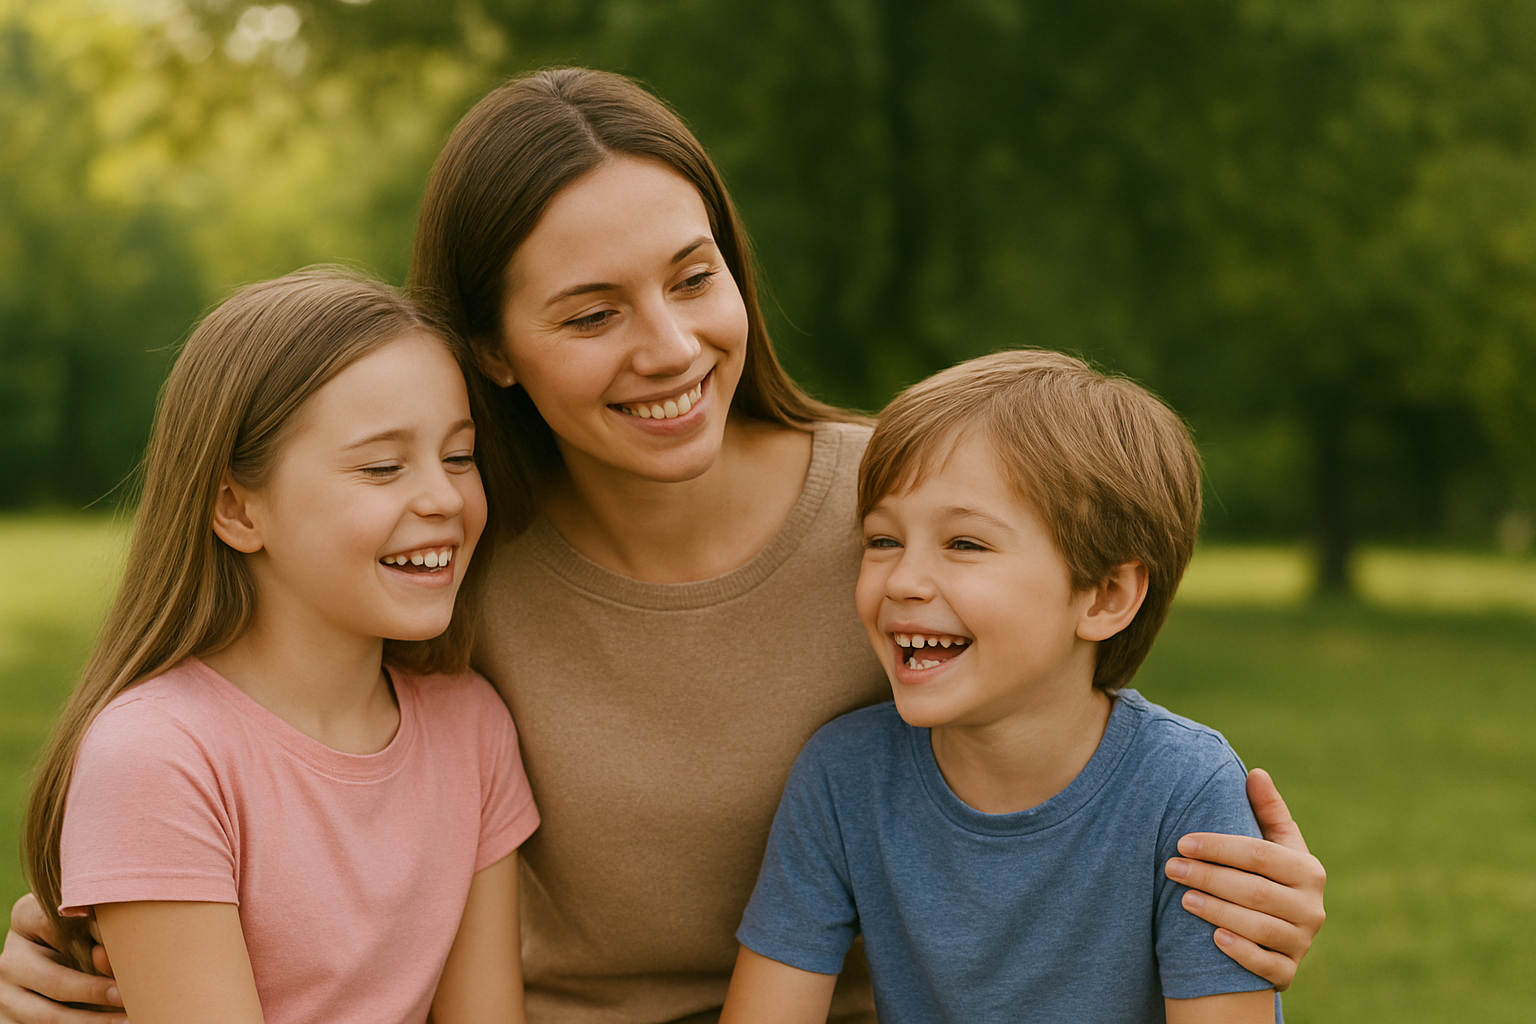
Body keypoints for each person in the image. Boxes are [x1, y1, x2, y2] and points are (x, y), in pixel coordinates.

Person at [0, 70, 1325, 1024]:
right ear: (492, 359)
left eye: (693, 278)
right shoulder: (446, 563)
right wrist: (87, 950)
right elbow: (278, 764)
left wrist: (1243, 884)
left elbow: (1080, 730)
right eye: (589, 313)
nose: (672, 348)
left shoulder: (896, 505)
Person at [16, 270, 540, 1024]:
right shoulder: (160, 756)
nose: (444, 498)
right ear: (236, 507)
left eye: (459, 457)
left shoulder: (473, 727)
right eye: (383, 466)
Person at [721, 349, 1283, 1024]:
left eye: (964, 544)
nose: (902, 581)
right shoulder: (844, 779)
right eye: (882, 540)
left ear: (1104, 596)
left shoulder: (1186, 791)